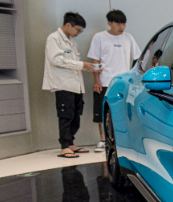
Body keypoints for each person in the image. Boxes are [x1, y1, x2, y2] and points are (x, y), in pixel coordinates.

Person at [42, 12, 100, 158]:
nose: (79, 33)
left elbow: (73, 64)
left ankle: (71, 143)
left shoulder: (72, 42)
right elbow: (56, 60)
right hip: (63, 84)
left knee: (76, 115)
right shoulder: (54, 38)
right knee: (65, 115)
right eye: (78, 30)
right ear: (68, 25)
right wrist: (81, 64)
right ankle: (64, 146)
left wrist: (86, 67)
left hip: (75, 85)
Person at [88, 10, 141, 152]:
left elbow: (137, 57)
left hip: (123, 83)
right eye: (118, 23)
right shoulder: (99, 37)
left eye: (123, 23)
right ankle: (103, 139)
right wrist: (96, 81)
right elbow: (95, 60)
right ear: (109, 23)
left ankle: (122, 140)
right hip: (105, 81)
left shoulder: (128, 38)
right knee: (102, 111)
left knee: (123, 111)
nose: (121, 27)